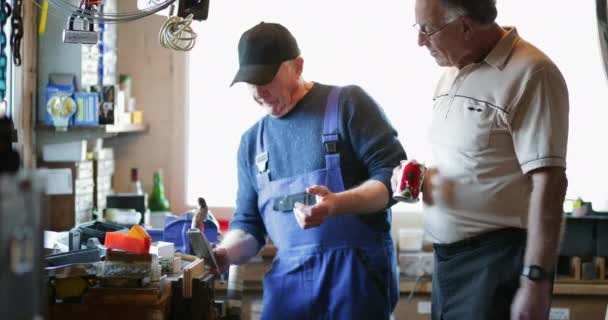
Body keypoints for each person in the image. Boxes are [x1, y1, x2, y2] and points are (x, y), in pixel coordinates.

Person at [212, 22, 407, 320]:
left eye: (266, 80)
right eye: (251, 83)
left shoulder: (348, 105)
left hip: (356, 282)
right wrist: (225, 254)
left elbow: (391, 179)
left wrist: (337, 204)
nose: (259, 93)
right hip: (289, 289)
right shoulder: (253, 143)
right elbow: (249, 225)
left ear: (298, 66)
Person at [394, 1, 570, 319]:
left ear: (465, 26)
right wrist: (422, 178)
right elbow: (475, 160)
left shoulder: (532, 72)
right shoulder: (450, 72)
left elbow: (550, 182)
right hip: (448, 261)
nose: (420, 40)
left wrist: (535, 281)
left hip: (497, 262)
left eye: (427, 29)